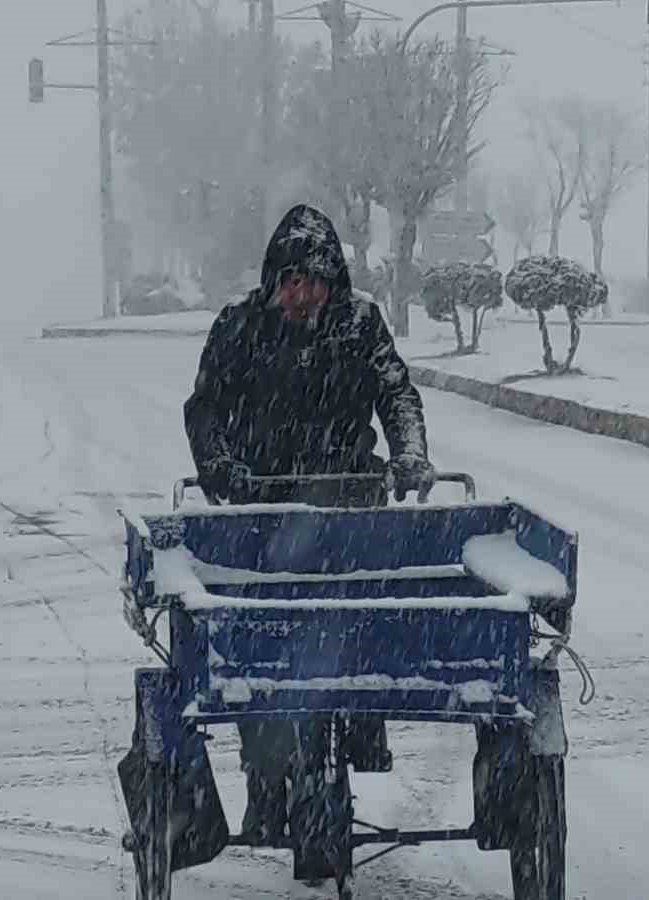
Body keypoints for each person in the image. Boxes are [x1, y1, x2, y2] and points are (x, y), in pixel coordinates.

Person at [184, 203, 435, 841]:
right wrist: (218, 465)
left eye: (317, 281)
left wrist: (409, 454)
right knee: (254, 654)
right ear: (274, 281)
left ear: (334, 283)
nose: (305, 295)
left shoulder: (359, 324)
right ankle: (264, 778)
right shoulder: (238, 328)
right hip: (261, 518)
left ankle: (362, 726)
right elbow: (205, 407)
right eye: (294, 281)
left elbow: (397, 392)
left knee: (361, 630)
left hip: (349, 511)